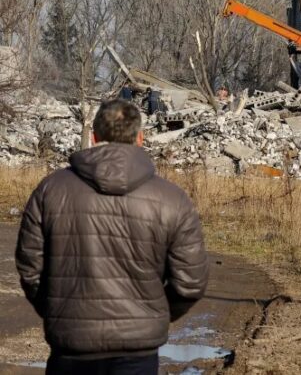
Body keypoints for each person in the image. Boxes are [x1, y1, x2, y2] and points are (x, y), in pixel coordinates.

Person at [16, 100, 209, 375]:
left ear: (94, 137)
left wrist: (58, 309)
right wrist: (153, 313)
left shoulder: (51, 190)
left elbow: (29, 266)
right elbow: (190, 282)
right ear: (140, 138)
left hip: (71, 345)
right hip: (137, 350)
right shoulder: (171, 199)